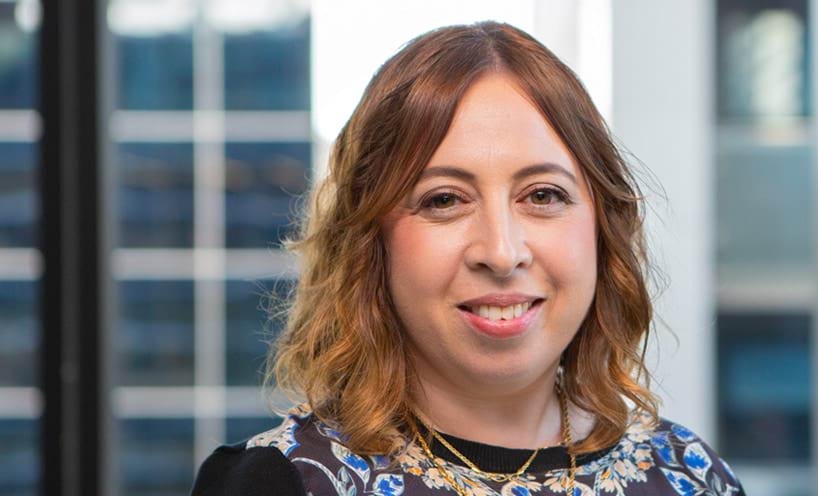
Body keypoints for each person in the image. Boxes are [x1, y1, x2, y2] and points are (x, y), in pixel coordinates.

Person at [191, 21, 746, 496]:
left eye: (543, 196)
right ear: (370, 242)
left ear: (603, 225)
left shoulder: (687, 476)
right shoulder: (285, 481)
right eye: (444, 201)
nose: (502, 253)